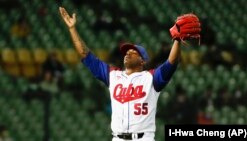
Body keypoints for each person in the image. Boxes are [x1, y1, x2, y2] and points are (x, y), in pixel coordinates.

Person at [59, 7, 199, 141]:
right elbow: (85, 54)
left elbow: (172, 62)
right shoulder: (113, 76)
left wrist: (176, 41)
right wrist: (72, 29)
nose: (127, 54)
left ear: (142, 60)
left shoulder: (151, 78)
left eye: (132, 53)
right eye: (126, 52)